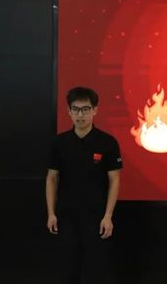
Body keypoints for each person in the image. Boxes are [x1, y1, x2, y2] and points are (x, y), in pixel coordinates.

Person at [46, 87, 123, 284]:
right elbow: (52, 178)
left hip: (97, 215)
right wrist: (51, 213)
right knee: (66, 267)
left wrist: (108, 216)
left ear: (95, 110)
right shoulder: (59, 143)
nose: (80, 115)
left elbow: (115, 180)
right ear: (69, 111)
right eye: (76, 109)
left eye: (85, 109)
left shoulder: (107, 142)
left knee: (97, 267)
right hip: (66, 215)